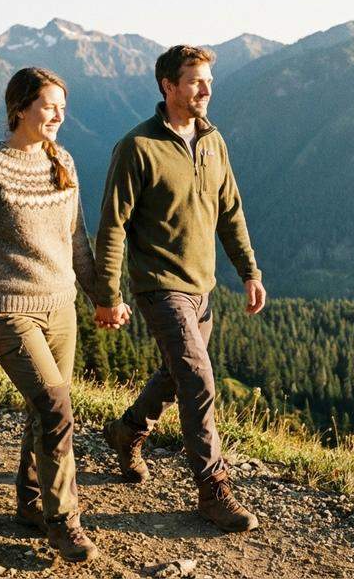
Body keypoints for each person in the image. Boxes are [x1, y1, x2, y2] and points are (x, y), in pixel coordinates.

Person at [0, 67, 123, 562]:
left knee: (43, 412)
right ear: (20, 108)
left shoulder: (62, 161)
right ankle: (64, 520)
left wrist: (101, 296)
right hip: (9, 312)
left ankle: (30, 504)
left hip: (61, 309)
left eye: (62, 108)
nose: (58, 116)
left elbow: (76, 242)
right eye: (49, 106)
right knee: (56, 410)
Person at [94, 45, 266, 532]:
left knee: (175, 375)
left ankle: (127, 431)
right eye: (195, 80)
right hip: (159, 287)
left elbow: (230, 211)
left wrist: (249, 272)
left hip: (201, 287)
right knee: (198, 380)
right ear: (168, 86)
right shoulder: (137, 147)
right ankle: (213, 490)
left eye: (208, 79)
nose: (206, 89)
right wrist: (108, 295)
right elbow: (112, 226)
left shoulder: (214, 141)